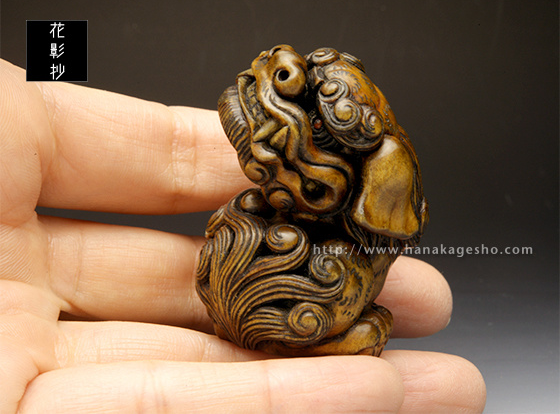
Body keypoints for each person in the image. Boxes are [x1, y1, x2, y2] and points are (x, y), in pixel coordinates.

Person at [0, 58, 486, 413]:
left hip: (308, 290)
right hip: (270, 286)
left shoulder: (382, 176)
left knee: (346, 285)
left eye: (320, 125)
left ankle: (309, 337)